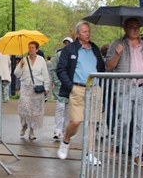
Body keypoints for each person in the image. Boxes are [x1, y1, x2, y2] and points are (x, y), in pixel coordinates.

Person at [105, 18, 143, 167]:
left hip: (142, 87)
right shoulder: (117, 44)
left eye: (137, 27)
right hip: (125, 88)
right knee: (125, 120)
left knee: (141, 123)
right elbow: (108, 66)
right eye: (131, 27)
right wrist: (117, 54)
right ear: (125, 29)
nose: (135, 30)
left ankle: (137, 154)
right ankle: (117, 144)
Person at [55, 22, 105, 162]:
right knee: (76, 121)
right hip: (77, 88)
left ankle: (90, 153)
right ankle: (66, 140)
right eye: (84, 31)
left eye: (88, 31)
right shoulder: (70, 49)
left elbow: (101, 67)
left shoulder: (95, 48)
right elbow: (61, 69)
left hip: (94, 89)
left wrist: (100, 85)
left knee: (92, 122)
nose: (87, 34)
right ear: (77, 34)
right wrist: (70, 87)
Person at [14, 41, 50, 140]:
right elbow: (17, 73)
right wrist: (20, 65)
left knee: (35, 110)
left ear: (37, 49)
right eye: (29, 47)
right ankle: (24, 125)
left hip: (37, 87)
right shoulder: (24, 60)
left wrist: (46, 87)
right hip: (26, 87)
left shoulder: (41, 60)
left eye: (33, 47)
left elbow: (45, 74)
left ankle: (31, 130)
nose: (30, 49)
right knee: (25, 108)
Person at [50, 36, 73, 140]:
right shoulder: (58, 55)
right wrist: (57, 81)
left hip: (70, 86)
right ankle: (57, 130)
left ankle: (65, 131)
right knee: (60, 107)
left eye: (68, 43)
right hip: (60, 86)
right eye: (65, 43)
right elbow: (53, 69)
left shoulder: (74, 55)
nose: (66, 45)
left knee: (68, 110)